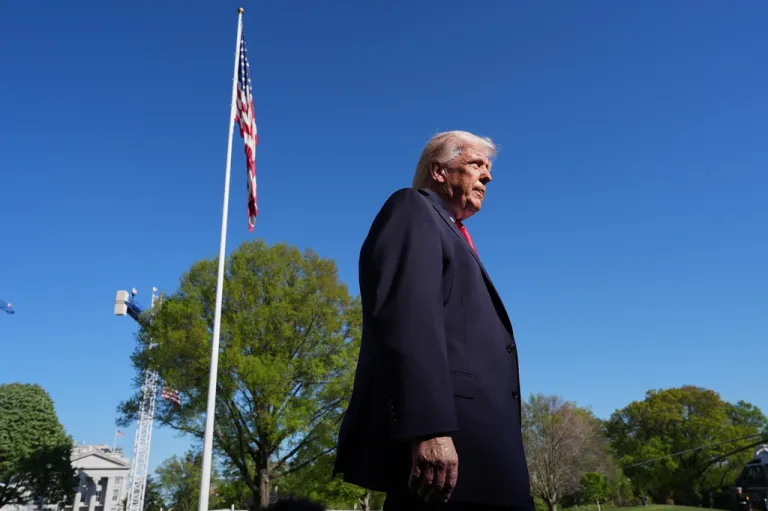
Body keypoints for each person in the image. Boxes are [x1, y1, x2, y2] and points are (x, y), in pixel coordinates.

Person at [334, 131, 532, 510]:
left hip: (483, 448)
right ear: (439, 171)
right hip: (449, 448)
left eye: (488, 169)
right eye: (476, 164)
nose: (487, 177)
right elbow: (407, 319)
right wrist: (428, 428)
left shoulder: (453, 233)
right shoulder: (412, 209)